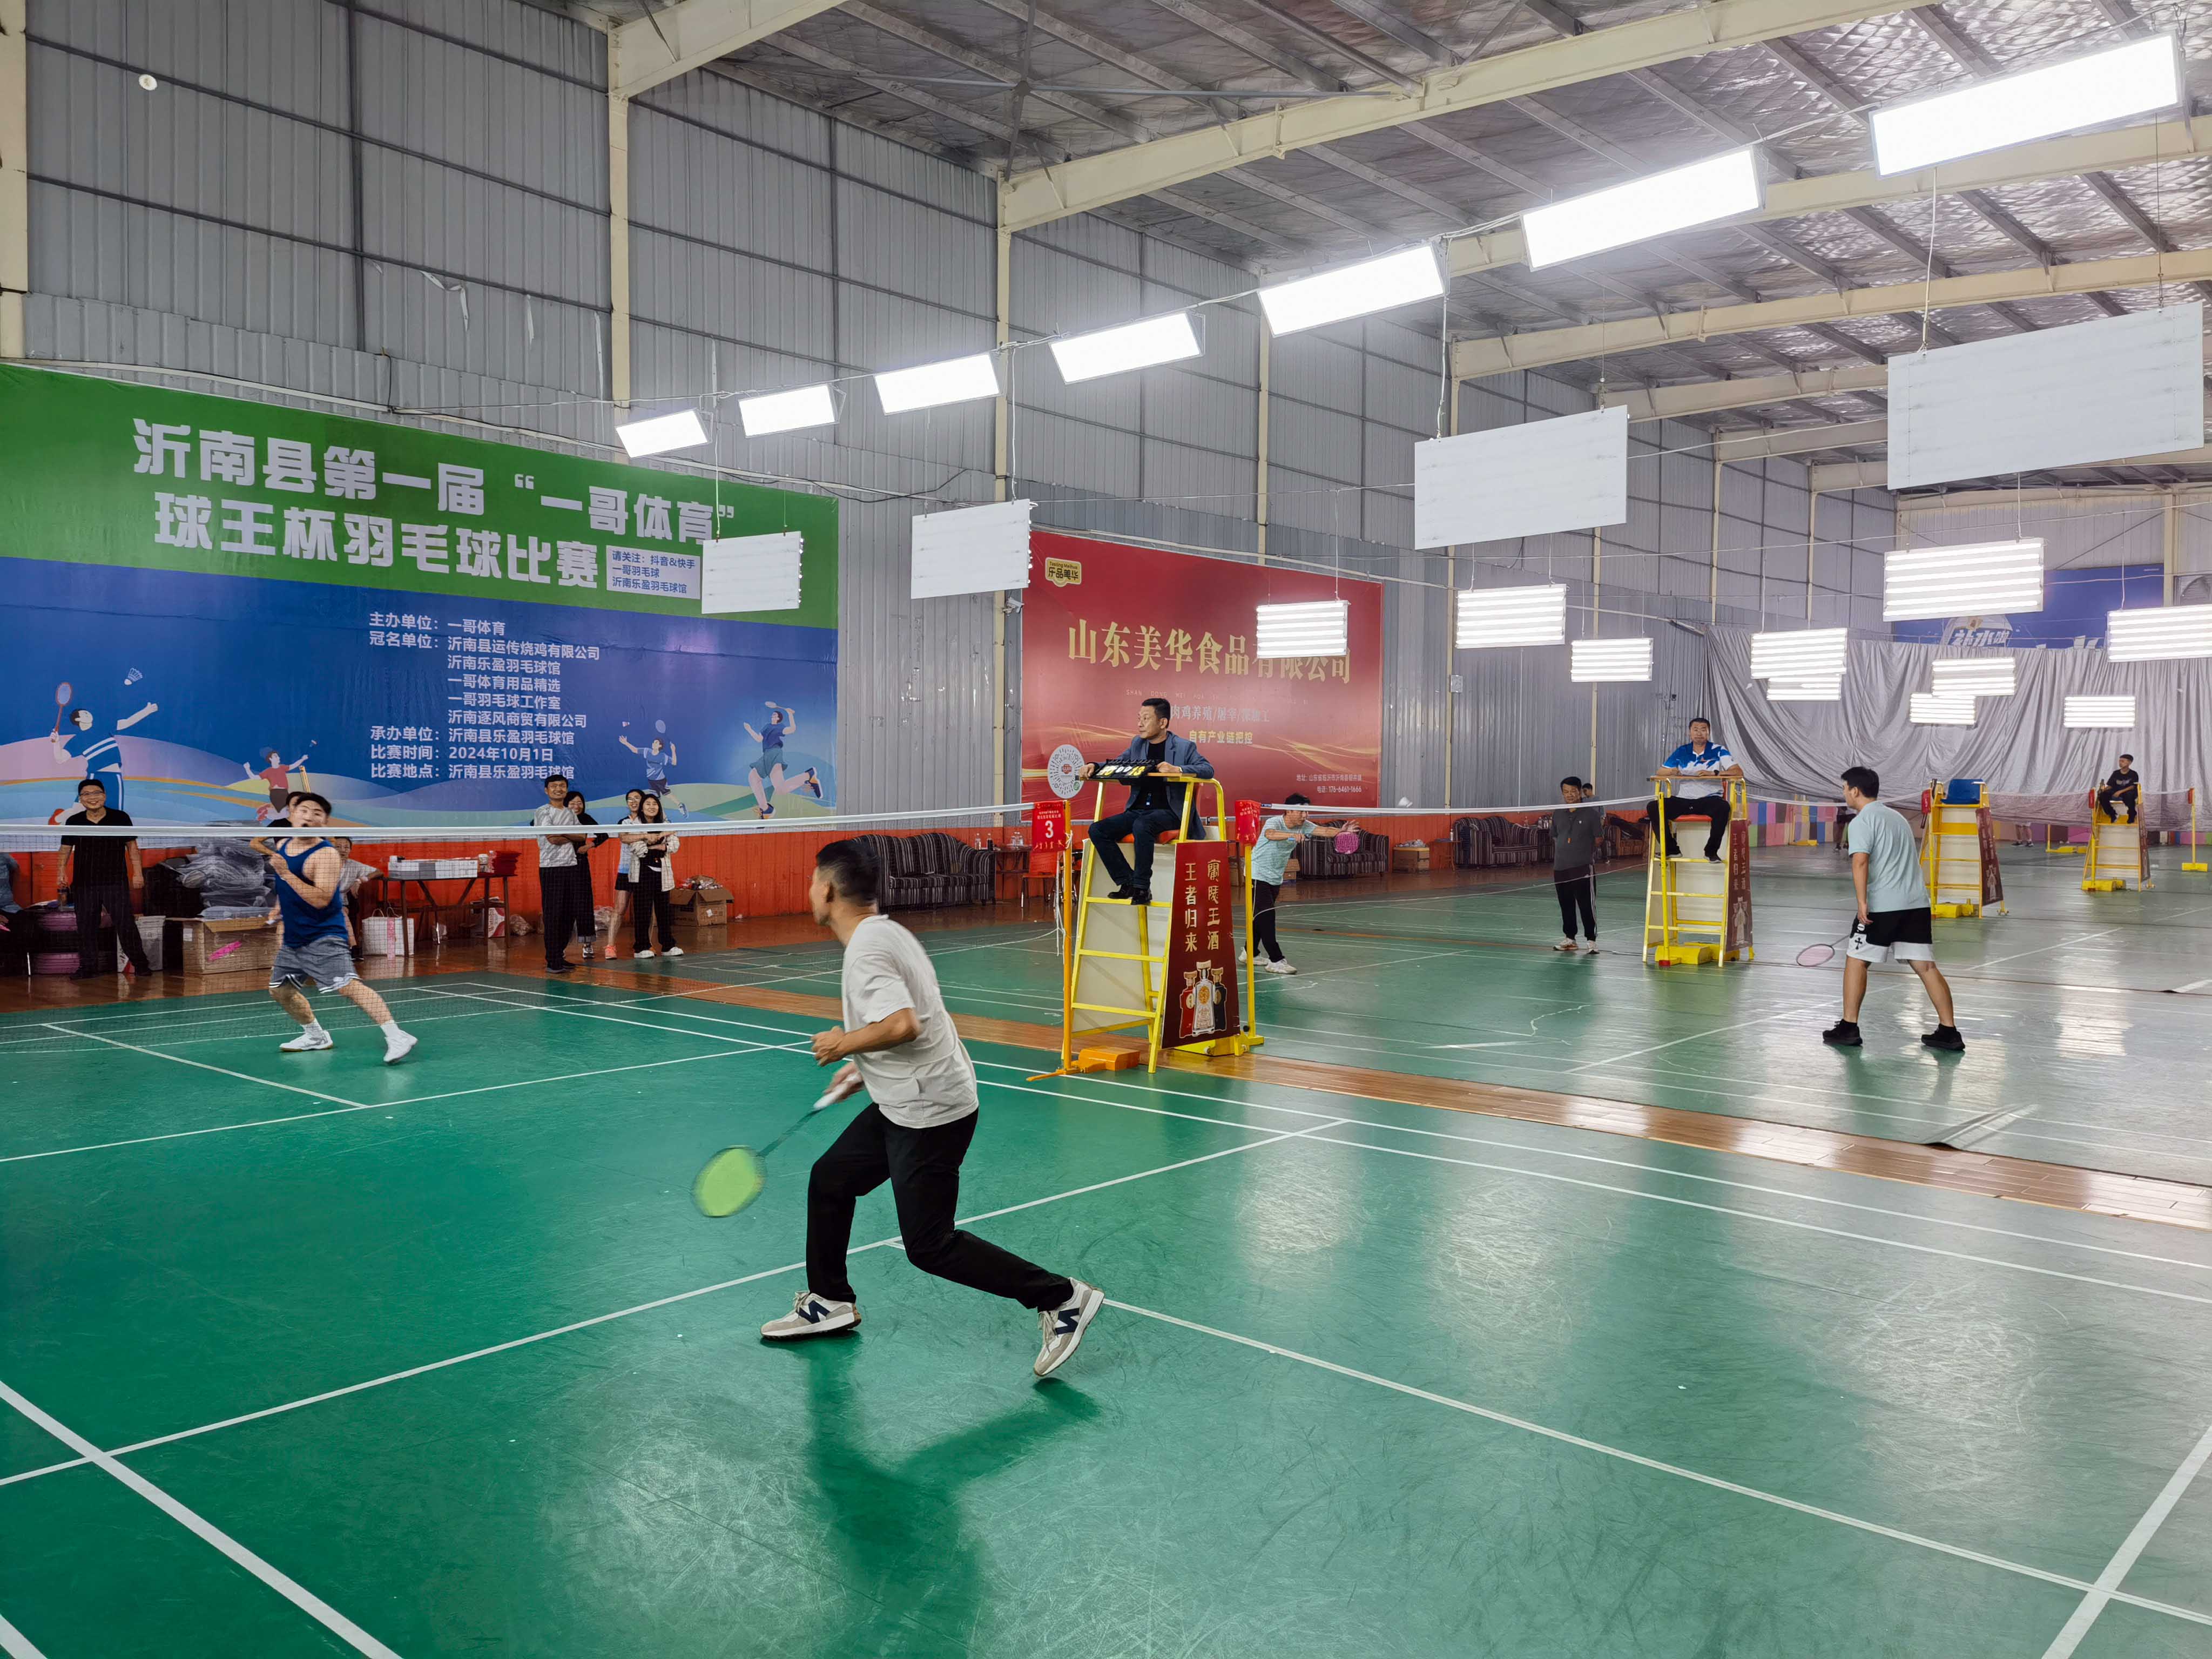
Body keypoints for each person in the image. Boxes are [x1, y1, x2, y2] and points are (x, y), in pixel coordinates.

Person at [761, 839, 1104, 1379]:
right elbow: (917, 1018)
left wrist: (843, 1044)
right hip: (907, 1099)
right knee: (830, 1180)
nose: (810, 890)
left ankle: (1061, 1298)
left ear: (827, 890)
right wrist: (866, 1067)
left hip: (929, 1113)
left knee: (930, 1245)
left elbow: (903, 1023)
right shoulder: (887, 933)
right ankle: (829, 1301)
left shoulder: (866, 950)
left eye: (811, 881)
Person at [262, 793, 417, 1062]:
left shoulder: (326, 855)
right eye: (304, 811)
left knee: (349, 987)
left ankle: (397, 1036)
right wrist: (279, 907)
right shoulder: (285, 845)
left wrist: (285, 873)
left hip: (323, 936)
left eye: (317, 814)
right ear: (292, 815)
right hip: (294, 937)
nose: (309, 817)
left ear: (325, 822)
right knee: (281, 990)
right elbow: (286, 888)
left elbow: (322, 899)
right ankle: (316, 1036)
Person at [1823, 766, 1964, 1053]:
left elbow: (1860, 862)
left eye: (1844, 788)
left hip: (1883, 906)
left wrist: (1862, 902)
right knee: (1925, 966)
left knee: (1856, 960)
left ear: (1855, 791)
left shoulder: (1862, 822)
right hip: (1916, 904)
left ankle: (1849, 1027)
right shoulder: (1897, 818)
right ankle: (1949, 1032)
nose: (1844, 793)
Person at [1082, 697, 1215, 907]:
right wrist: (1094, 766)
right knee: (1098, 830)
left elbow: (1208, 769)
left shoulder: (1184, 747)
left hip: (1170, 812)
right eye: (1139, 718)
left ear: (1163, 723)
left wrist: (1178, 769)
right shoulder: (1137, 744)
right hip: (1139, 810)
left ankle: (1142, 888)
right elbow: (1118, 764)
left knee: (1142, 825)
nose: (1140, 724)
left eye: (1146, 718)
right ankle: (1127, 882)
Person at [1246, 793, 1353, 975]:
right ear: (1288, 810)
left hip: (1275, 876)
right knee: (1267, 916)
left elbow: (1324, 831)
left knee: (1260, 917)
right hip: (1257, 874)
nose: (1305, 815)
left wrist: (1341, 832)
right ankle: (1276, 960)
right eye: (1301, 812)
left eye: (1307, 812)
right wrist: (1291, 836)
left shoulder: (1304, 826)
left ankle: (1250, 953)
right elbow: (1270, 834)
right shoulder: (1274, 822)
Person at [58, 778, 153, 979]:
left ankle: (141, 964)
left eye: (96, 793)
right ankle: (88, 968)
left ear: (104, 796)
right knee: (86, 926)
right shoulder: (74, 821)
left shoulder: (120, 818)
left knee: (125, 923)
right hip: (84, 883)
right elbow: (65, 849)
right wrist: (61, 872)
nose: (92, 798)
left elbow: (132, 848)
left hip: (115, 881)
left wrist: (137, 873)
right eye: (86, 794)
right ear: (80, 799)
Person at [1647, 717, 1743, 862]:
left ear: (1708, 733)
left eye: (1703, 730)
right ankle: (1671, 850)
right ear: (1690, 733)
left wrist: (1715, 773)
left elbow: (1738, 772)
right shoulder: (1682, 751)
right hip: (1684, 800)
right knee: (1654, 806)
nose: (1699, 733)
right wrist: (1672, 771)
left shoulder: (1719, 751)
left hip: (1709, 799)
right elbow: (1661, 772)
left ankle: (1711, 852)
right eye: (1695, 730)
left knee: (1724, 807)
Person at [532, 774, 591, 974]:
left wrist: (563, 833)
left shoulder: (571, 813)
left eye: (562, 786)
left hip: (571, 866)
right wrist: (569, 835)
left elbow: (582, 836)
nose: (559, 789)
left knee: (570, 913)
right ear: (547, 790)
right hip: (551, 868)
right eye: (554, 786)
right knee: (553, 914)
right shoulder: (542, 811)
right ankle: (553, 960)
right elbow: (553, 838)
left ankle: (560, 954)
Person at [621, 792, 685, 959]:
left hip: (663, 874)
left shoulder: (665, 824)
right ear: (642, 808)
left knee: (664, 912)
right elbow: (638, 848)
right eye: (648, 804)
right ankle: (641, 947)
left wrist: (656, 846)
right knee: (643, 912)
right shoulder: (634, 825)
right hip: (642, 874)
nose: (652, 807)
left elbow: (674, 844)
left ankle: (668, 945)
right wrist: (657, 846)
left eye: (655, 804)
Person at [1551, 776, 1603, 953]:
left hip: (1582, 866)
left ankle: (1591, 941)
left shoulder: (1591, 814)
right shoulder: (1558, 813)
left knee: (1586, 904)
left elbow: (1598, 839)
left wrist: (1583, 851)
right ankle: (1570, 939)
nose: (1570, 795)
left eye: (1573, 791)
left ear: (1580, 792)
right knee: (1566, 904)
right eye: (1566, 792)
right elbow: (1555, 836)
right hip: (1561, 867)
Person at [570, 786, 606, 961]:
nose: (577, 806)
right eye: (573, 803)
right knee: (563, 905)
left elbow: (603, 835)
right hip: (560, 865)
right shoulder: (557, 817)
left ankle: (587, 944)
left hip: (580, 864)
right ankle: (560, 946)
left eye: (580, 803)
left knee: (584, 903)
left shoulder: (585, 819)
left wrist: (588, 846)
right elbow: (535, 825)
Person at [607, 788, 646, 943]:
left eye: (637, 798)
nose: (633, 801)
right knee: (620, 909)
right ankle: (610, 945)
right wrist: (645, 835)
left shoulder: (650, 820)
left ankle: (647, 944)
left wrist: (638, 836)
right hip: (625, 870)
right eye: (630, 799)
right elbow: (624, 838)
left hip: (645, 871)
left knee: (646, 912)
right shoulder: (624, 822)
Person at [2099, 754, 2142, 825]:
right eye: (2120, 761)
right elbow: (2111, 785)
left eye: (2123, 761)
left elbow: (2132, 787)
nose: (2120, 763)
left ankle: (2132, 814)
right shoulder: (2116, 773)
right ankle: (2113, 814)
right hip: (2116, 791)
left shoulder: (2134, 774)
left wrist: (2120, 792)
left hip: (2127, 792)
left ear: (2129, 763)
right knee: (2103, 795)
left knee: (2130, 795)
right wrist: (2104, 790)